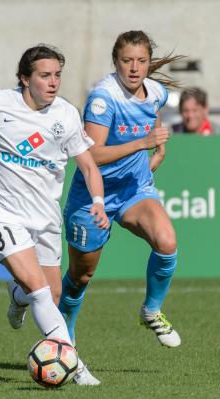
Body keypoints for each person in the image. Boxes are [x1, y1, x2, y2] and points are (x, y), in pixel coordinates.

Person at [0, 44, 108, 386]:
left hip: (44, 216)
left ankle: (16, 297)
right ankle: (75, 366)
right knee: (40, 291)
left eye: (57, 75)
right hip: (0, 210)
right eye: (45, 75)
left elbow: (87, 165)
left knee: (51, 294)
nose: (53, 82)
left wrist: (97, 201)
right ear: (25, 79)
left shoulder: (67, 115)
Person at [59, 30, 184, 381]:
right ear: (115, 62)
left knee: (167, 242)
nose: (134, 68)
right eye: (127, 61)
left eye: (141, 61)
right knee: (81, 276)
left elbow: (152, 120)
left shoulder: (156, 92)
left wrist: (157, 149)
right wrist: (143, 142)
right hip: (93, 197)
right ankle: (64, 338)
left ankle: (151, 310)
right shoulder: (103, 99)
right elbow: (92, 155)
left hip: (134, 190)